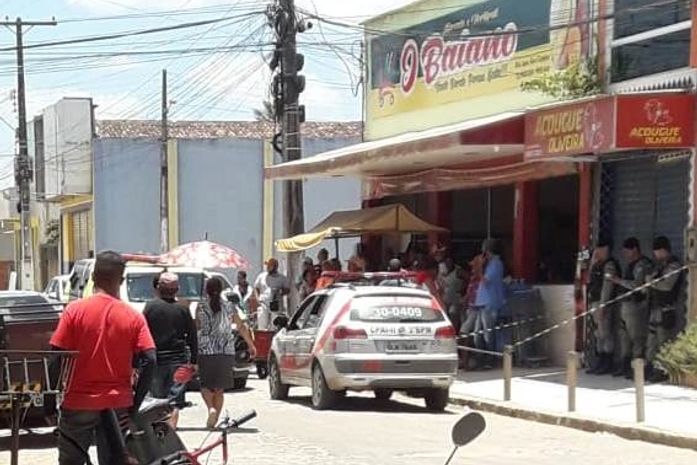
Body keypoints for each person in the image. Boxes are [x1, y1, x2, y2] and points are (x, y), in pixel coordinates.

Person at [51, 251, 156, 465]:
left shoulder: (74, 311)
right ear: (121, 280)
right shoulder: (133, 316)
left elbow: (56, 355)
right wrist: (135, 404)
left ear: (93, 277)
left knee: (71, 461)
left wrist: (49, 401)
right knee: (114, 460)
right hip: (117, 403)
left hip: (78, 401)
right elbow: (150, 359)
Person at [196, 277, 256, 429]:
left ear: (206, 290)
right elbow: (241, 326)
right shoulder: (230, 306)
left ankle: (211, 408)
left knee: (205, 385)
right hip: (226, 351)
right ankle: (215, 419)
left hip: (206, 350)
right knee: (219, 388)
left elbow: (197, 327)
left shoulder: (201, 306)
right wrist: (250, 345)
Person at [143, 272, 198, 428]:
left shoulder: (150, 307)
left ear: (158, 288)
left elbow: (142, 333)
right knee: (174, 401)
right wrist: (194, 361)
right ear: (177, 289)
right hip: (179, 361)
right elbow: (192, 336)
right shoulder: (183, 309)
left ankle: (158, 432)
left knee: (157, 400)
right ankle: (171, 431)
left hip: (156, 361)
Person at [610, 237, 653, 379]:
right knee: (624, 338)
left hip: (637, 306)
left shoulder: (643, 264)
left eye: (627, 251)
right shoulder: (631, 264)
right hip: (626, 305)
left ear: (635, 249)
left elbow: (637, 286)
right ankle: (625, 366)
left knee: (637, 338)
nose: (625, 254)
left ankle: (637, 368)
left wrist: (618, 281)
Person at [646, 236, 685, 382]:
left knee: (664, 341)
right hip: (655, 308)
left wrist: (651, 283)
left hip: (667, 309)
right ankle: (651, 368)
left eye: (656, 251)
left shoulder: (674, 265)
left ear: (663, 250)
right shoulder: (660, 266)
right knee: (652, 341)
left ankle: (663, 371)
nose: (655, 255)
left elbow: (667, 285)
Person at [585, 238, 619, 375]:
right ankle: (600, 361)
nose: (597, 251)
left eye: (599, 249)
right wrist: (592, 262)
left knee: (605, 334)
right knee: (598, 334)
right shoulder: (597, 264)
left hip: (603, 303)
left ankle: (607, 362)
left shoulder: (609, 265)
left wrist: (603, 306)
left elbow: (607, 287)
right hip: (595, 302)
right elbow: (589, 280)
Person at [474, 239, 506, 367]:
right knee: (477, 334)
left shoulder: (496, 264)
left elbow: (486, 280)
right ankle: (480, 358)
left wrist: (479, 267)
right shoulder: (490, 264)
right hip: (482, 302)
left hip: (490, 302)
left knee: (488, 333)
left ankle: (490, 359)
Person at [254, 258, 291, 330]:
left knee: (274, 325)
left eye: (269, 266)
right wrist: (257, 298)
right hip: (264, 303)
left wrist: (280, 292)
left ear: (275, 267)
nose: (267, 267)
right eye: (267, 266)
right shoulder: (262, 276)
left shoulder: (282, 278)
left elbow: (287, 289)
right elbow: (256, 287)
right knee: (262, 325)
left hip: (276, 304)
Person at [438, 257, 465, 332]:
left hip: (455, 299)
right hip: (444, 299)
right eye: (447, 263)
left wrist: (463, 288)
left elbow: (468, 277)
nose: (448, 264)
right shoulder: (441, 269)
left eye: (450, 262)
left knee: (453, 313)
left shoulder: (458, 271)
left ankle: (454, 332)